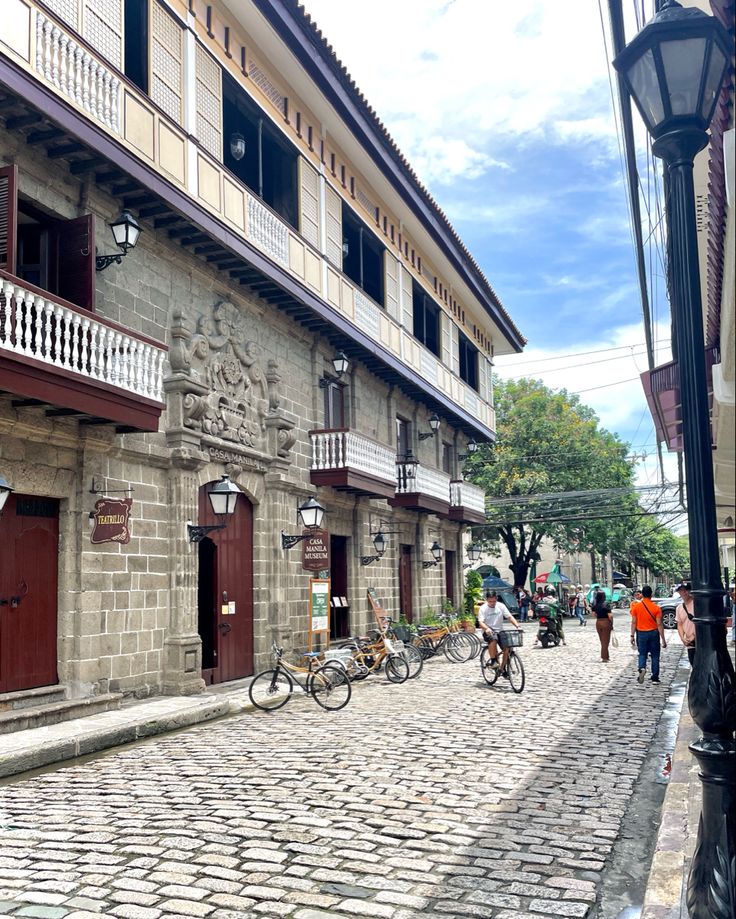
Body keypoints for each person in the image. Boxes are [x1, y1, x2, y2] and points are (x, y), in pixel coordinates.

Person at [477, 590, 521, 677]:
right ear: (487, 600)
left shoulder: (501, 606)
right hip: (488, 630)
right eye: (490, 601)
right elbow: (480, 622)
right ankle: (493, 660)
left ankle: (502, 668)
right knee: (493, 639)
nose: (492, 603)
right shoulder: (483, 608)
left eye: (494, 601)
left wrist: (517, 626)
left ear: (496, 599)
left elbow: (509, 617)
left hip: (500, 630)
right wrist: (487, 628)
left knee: (507, 648)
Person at [630, 584, 667, 684]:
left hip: (641, 633)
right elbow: (659, 624)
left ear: (642, 594)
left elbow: (633, 622)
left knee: (642, 653)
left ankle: (642, 668)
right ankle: (655, 677)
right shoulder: (656, 608)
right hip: (654, 633)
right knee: (655, 655)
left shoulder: (636, 607)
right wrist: (663, 639)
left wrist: (632, 635)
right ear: (651, 594)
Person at [674, 581, 696, 665]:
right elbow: (679, 624)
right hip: (689, 642)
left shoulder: (696, 604)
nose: (684, 592)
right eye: (681, 590)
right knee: (693, 663)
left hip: (700, 640)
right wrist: (683, 639)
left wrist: (694, 635)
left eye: (686, 590)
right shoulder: (679, 608)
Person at [592, 590, 614, 661]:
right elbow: (610, 616)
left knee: (602, 640)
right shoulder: (606, 604)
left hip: (598, 622)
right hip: (606, 622)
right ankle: (604, 657)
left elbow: (594, 614)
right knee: (606, 640)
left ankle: (606, 656)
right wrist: (611, 623)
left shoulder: (595, 605)